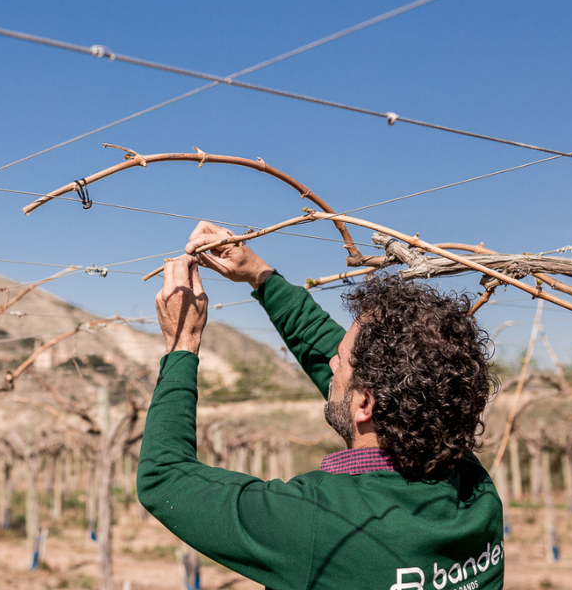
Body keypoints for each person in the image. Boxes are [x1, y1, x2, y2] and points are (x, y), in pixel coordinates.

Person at [137, 221, 503, 590]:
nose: (330, 363)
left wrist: (182, 343)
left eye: (340, 361)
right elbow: (370, 372)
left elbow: (164, 477)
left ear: (365, 404)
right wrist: (260, 277)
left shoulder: (318, 522)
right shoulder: (474, 489)